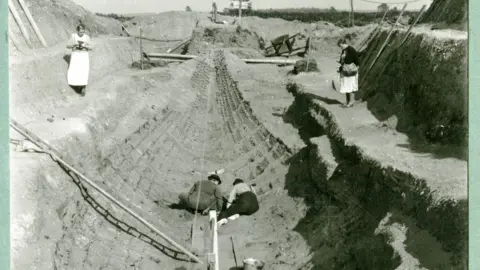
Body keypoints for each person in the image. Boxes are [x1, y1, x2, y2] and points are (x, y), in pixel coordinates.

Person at [66, 24, 93, 96]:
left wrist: (85, 46)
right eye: (80, 32)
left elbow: (91, 47)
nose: (82, 33)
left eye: (83, 32)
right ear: (77, 31)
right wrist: (74, 45)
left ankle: (83, 88)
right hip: (75, 55)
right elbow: (67, 45)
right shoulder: (73, 36)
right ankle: (76, 86)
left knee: (83, 71)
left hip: (84, 55)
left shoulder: (87, 37)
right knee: (75, 71)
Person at [337, 38, 360, 108]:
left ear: (344, 43)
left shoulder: (351, 50)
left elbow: (357, 60)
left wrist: (355, 68)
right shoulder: (344, 50)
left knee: (351, 87)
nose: (340, 47)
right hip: (345, 71)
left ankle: (351, 102)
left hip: (350, 71)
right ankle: (347, 101)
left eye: (341, 46)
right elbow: (343, 60)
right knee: (346, 87)